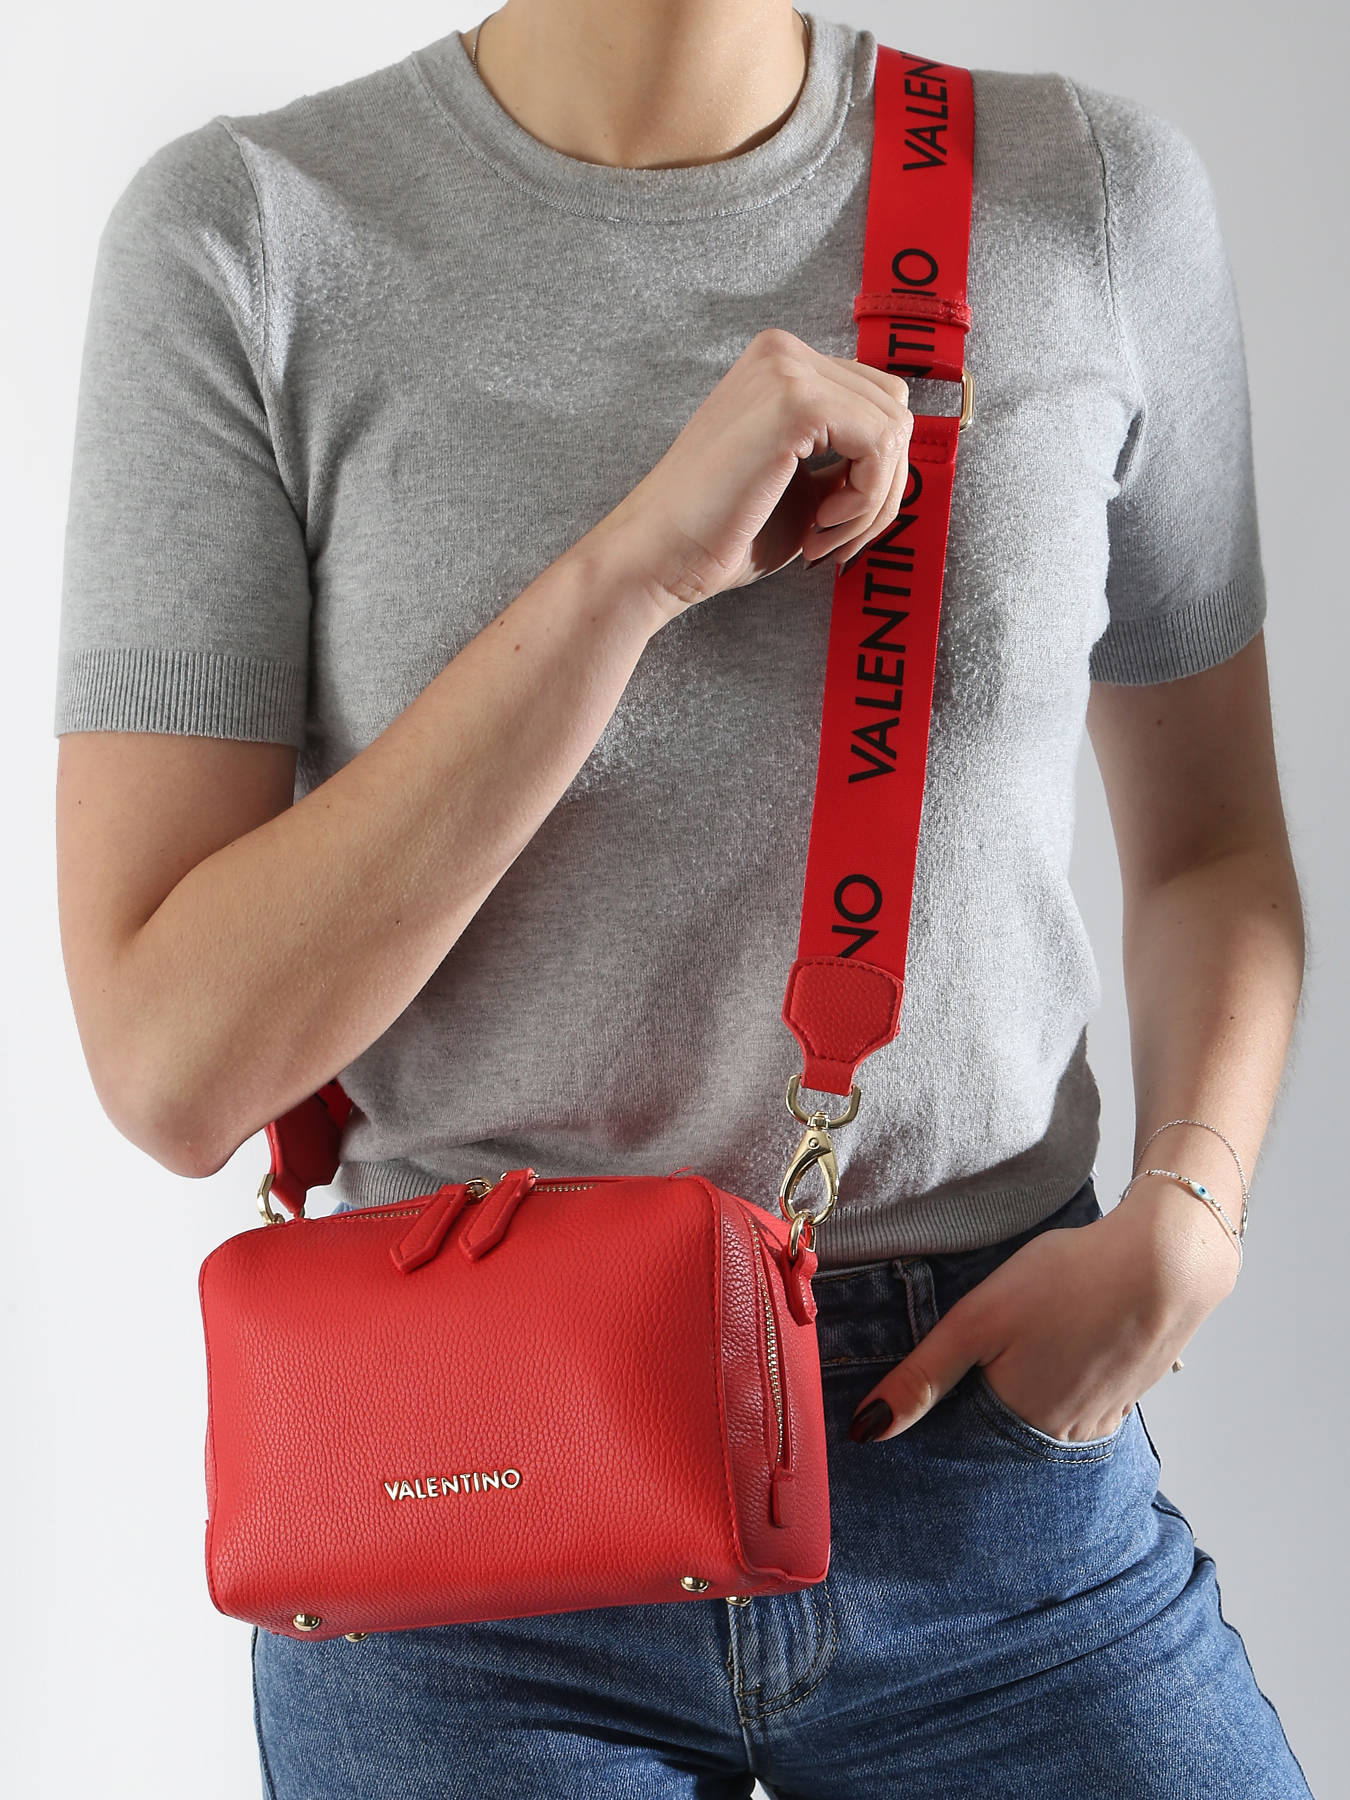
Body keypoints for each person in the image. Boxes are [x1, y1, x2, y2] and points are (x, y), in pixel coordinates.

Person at [52, 3, 1315, 1794]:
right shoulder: (249, 233)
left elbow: (1211, 846)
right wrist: (627, 578)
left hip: (987, 1443)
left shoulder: (1085, 195)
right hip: (461, 1500)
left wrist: (1192, 1211)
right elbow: (173, 1069)